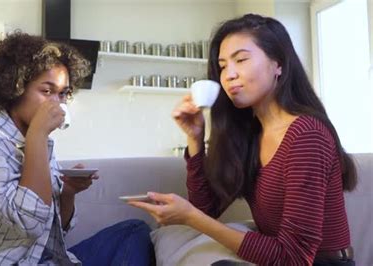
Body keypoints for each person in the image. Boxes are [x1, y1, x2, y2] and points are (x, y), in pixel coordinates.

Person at [128, 14, 357, 266]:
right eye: (223, 65)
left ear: (278, 64)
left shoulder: (306, 134)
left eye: (241, 59)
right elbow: (206, 210)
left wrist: (191, 217)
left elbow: (294, 257)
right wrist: (195, 138)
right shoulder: (250, 134)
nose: (229, 74)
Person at [0, 32, 154, 265]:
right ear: (15, 88)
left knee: (133, 230)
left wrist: (68, 193)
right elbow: (30, 225)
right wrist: (37, 135)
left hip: (39, 259)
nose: (57, 103)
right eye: (47, 91)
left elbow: (55, 232)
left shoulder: (38, 141)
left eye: (63, 93)